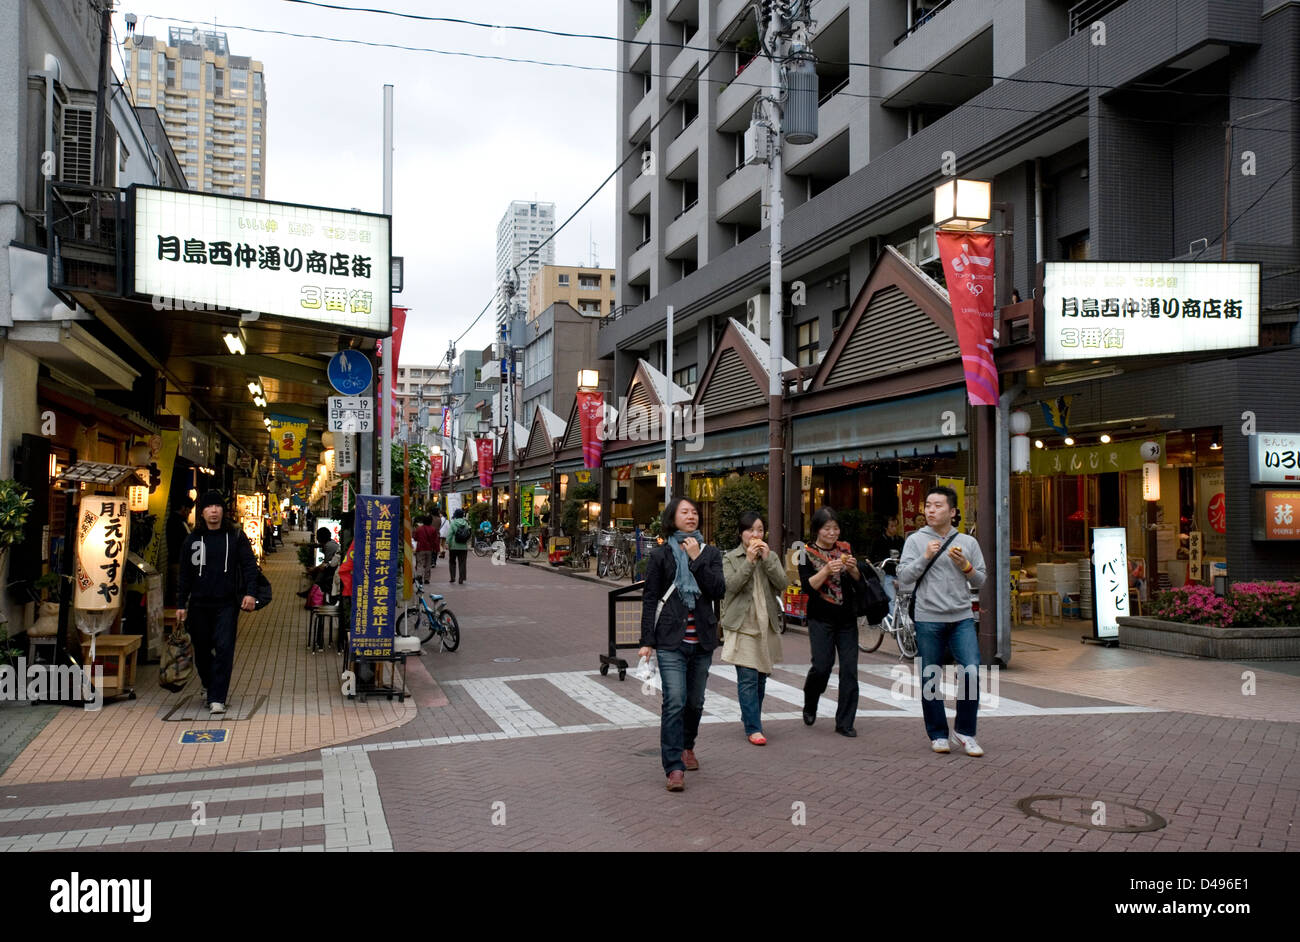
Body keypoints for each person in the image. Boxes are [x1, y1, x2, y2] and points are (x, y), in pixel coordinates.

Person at [638, 497, 725, 792]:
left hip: (701, 640)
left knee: (695, 702)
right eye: (684, 512)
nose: (691, 516)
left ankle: (688, 746)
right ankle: (674, 767)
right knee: (674, 700)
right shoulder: (661, 555)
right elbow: (650, 598)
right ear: (672, 518)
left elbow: (717, 590)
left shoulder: (710, 554)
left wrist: (697, 558)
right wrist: (647, 640)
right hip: (670, 641)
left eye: (695, 512)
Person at [898, 484, 987, 757]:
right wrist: (924, 557)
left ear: (953, 511)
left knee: (971, 670)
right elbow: (903, 577)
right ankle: (938, 734)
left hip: (961, 617)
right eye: (928, 505)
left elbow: (981, 579)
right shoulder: (915, 540)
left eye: (937, 505)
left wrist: (966, 566)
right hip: (928, 618)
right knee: (930, 676)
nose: (931, 510)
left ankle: (965, 731)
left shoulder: (968, 543)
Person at [176, 490, 258, 715]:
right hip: (198, 604)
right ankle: (209, 683)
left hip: (227, 604)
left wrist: (250, 593)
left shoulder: (235, 536)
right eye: (209, 507)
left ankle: (217, 697)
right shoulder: (192, 540)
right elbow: (184, 574)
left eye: (218, 507)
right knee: (201, 650)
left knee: (224, 648)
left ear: (223, 511)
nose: (214, 511)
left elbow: (250, 566)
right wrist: (181, 603)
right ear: (201, 512)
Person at [720, 511, 786, 746]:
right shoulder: (731, 558)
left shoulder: (771, 556)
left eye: (760, 530)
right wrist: (748, 561)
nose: (756, 534)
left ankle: (750, 716)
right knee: (747, 676)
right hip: (741, 624)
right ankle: (753, 727)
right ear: (741, 533)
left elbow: (782, 583)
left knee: (761, 677)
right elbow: (731, 586)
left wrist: (767, 560)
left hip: (765, 623)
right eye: (750, 530)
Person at [800, 507, 865, 738]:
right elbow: (808, 586)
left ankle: (845, 722)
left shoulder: (845, 548)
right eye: (827, 528)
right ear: (817, 529)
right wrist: (827, 569)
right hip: (820, 618)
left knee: (849, 670)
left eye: (835, 528)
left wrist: (854, 569)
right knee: (822, 666)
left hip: (846, 619)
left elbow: (860, 583)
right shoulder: (804, 552)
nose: (832, 532)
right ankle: (811, 700)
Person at [447, 508, 471, 585]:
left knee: (452, 562)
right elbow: (468, 533)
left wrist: (448, 543)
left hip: (453, 546)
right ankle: (461, 578)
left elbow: (450, 534)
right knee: (462, 563)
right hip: (463, 546)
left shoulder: (453, 523)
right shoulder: (466, 523)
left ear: (456, 515)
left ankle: (452, 577)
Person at [414, 514, 439, 584]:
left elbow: (415, 538)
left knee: (420, 563)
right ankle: (426, 579)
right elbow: (435, 540)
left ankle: (419, 575)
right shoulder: (433, 529)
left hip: (420, 548)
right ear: (431, 521)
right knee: (428, 564)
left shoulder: (419, 529)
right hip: (429, 548)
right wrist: (436, 549)